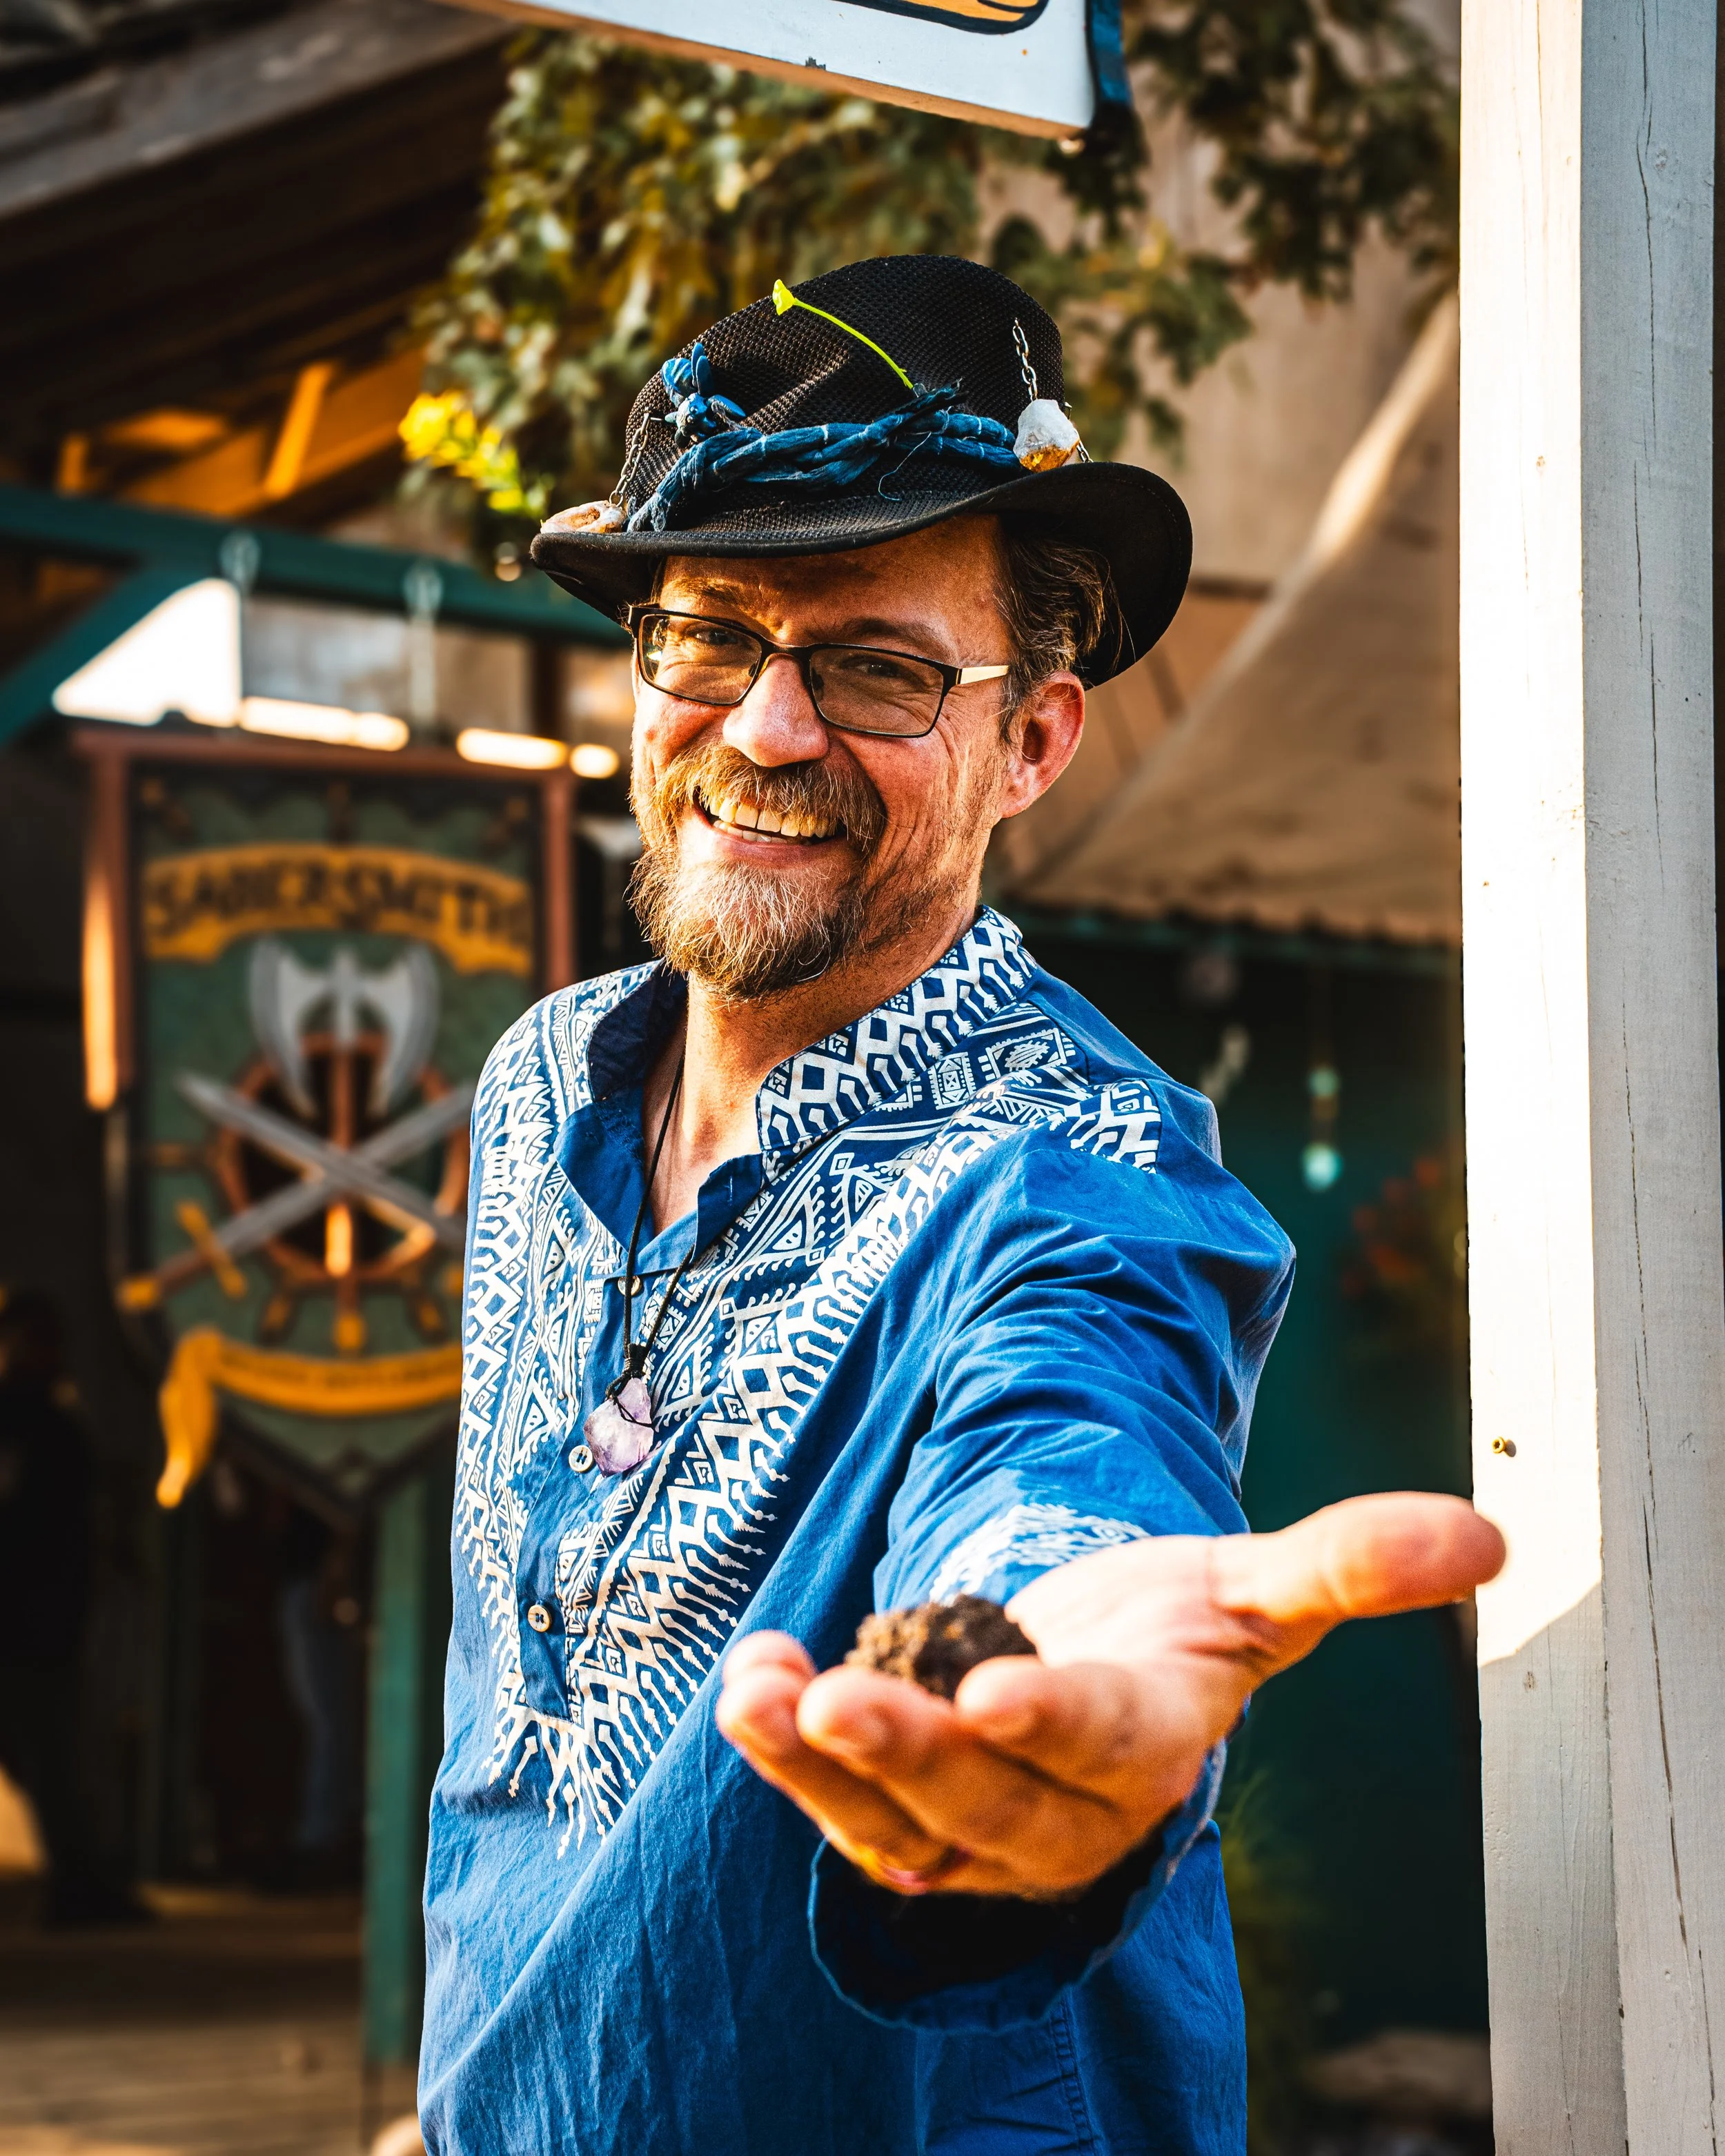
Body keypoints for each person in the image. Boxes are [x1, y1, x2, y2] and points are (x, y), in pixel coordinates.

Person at [418, 257, 1501, 2156]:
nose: (762, 728)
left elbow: (1067, 1425)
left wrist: (1045, 1653)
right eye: (706, 637)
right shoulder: (544, 1082)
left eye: (876, 669)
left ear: (1033, 740)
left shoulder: (1075, 1164)